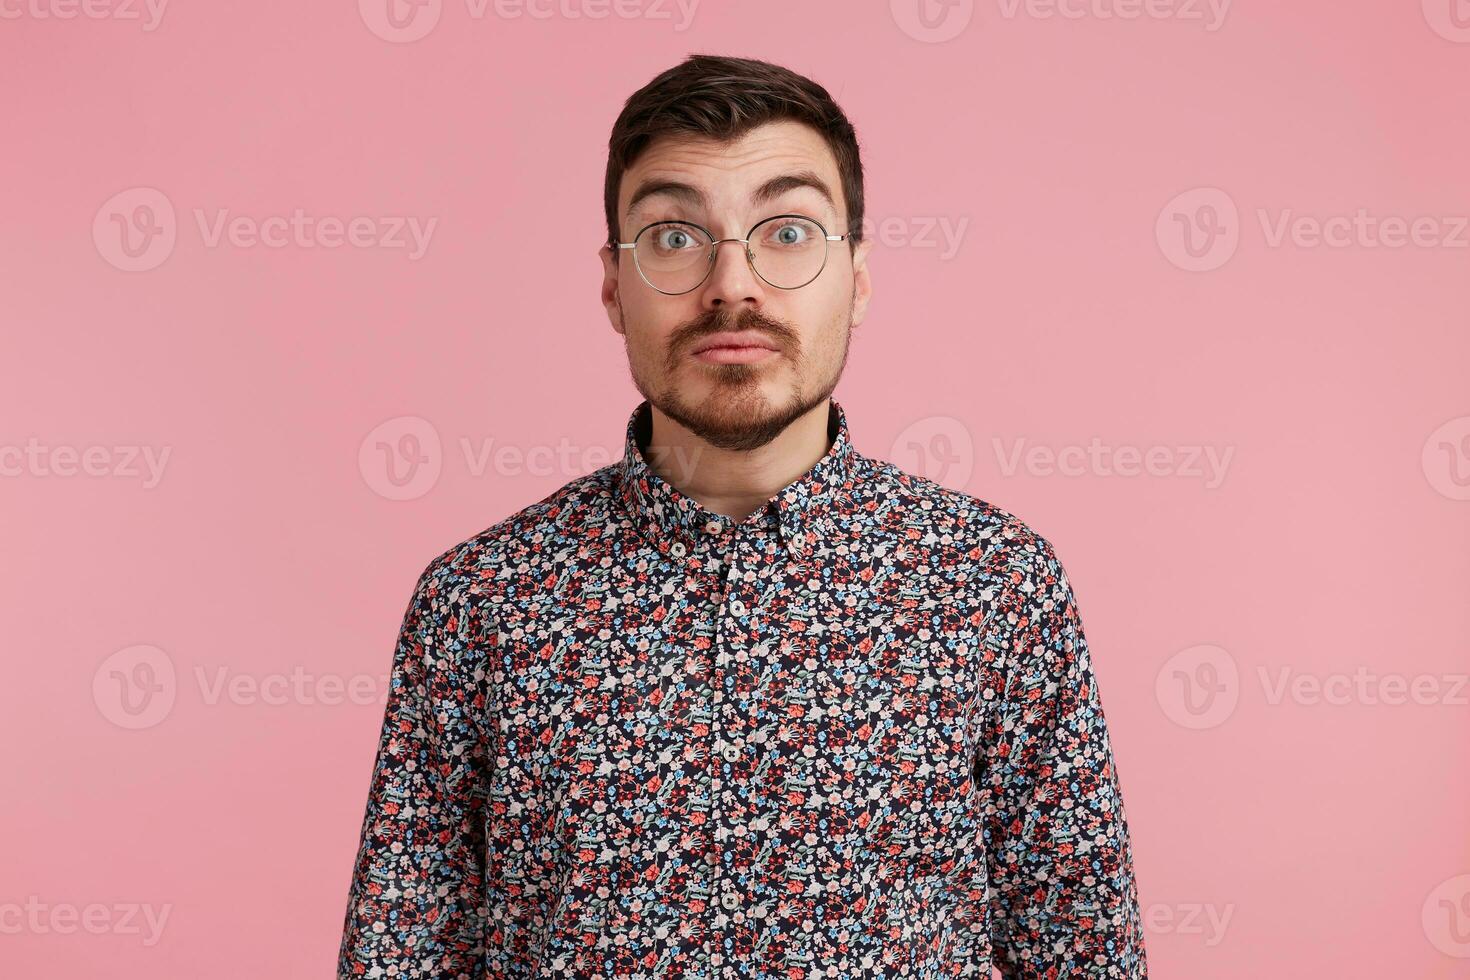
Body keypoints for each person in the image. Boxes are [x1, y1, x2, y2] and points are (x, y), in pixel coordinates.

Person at [338, 53, 1147, 979]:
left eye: (790, 230)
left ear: (861, 278)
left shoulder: (994, 584)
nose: (734, 285)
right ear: (612, 284)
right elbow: (400, 955)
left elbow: (1084, 950)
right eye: (675, 236)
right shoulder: (479, 604)